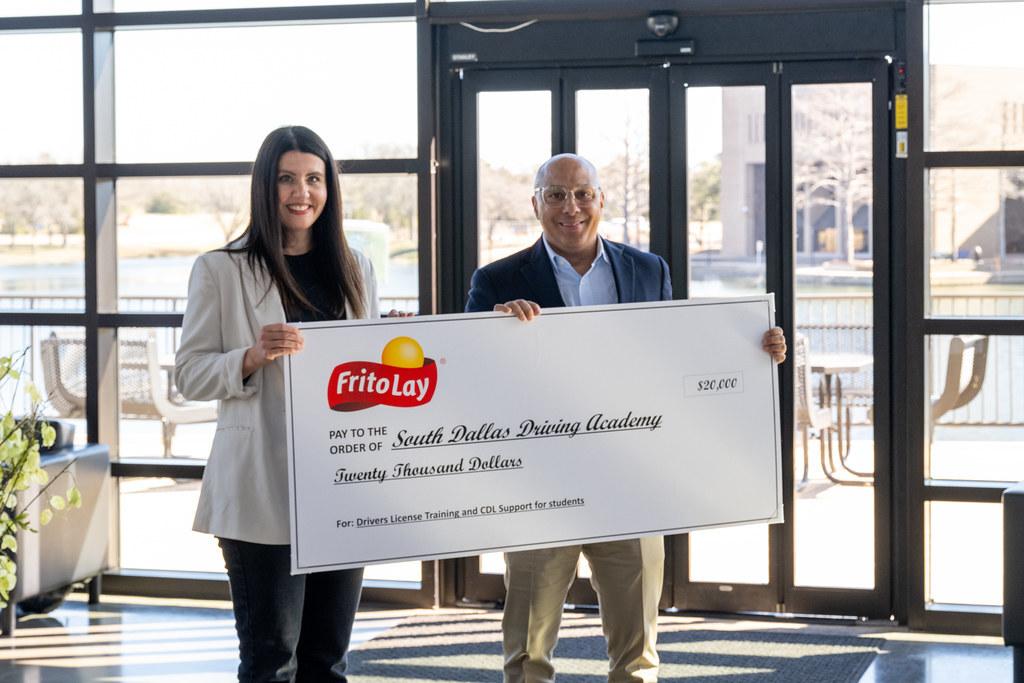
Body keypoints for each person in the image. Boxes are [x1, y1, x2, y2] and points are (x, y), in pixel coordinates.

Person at [466, 153, 787, 683]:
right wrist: (490, 332)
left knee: (637, 657)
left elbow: (678, 358)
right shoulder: (497, 282)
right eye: (555, 195)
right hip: (538, 486)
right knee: (527, 655)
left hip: (631, 485)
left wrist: (752, 351)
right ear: (536, 203)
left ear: (601, 200)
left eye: (582, 194)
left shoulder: (647, 269)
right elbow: (472, 380)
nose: (570, 207)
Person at [175, 125, 384, 682]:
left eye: (314, 179)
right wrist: (249, 356)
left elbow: (365, 376)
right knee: (272, 662)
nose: (302, 192)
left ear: (329, 188)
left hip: (340, 486)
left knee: (328, 660)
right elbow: (189, 376)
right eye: (287, 179)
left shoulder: (357, 268)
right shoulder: (220, 269)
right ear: (265, 187)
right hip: (260, 491)